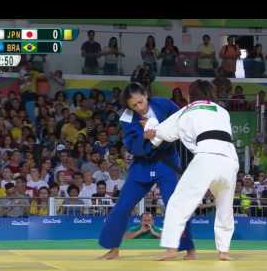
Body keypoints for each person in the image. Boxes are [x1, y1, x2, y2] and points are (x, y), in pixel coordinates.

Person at [98, 82, 196, 260]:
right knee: (122, 206)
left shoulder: (164, 104)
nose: (139, 108)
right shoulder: (127, 117)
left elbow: (182, 121)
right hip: (142, 164)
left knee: (175, 205)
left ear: (146, 95)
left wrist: (159, 131)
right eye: (134, 105)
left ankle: (188, 249)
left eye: (140, 102)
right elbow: (130, 144)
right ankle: (113, 248)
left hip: (165, 161)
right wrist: (144, 136)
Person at [144, 79, 239, 261]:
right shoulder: (223, 111)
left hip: (206, 156)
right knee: (225, 206)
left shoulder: (188, 110)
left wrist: (151, 131)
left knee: (179, 203)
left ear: (190, 96)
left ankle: (171, 248)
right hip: (230, 159)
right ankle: (224, 251)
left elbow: (164, 133)